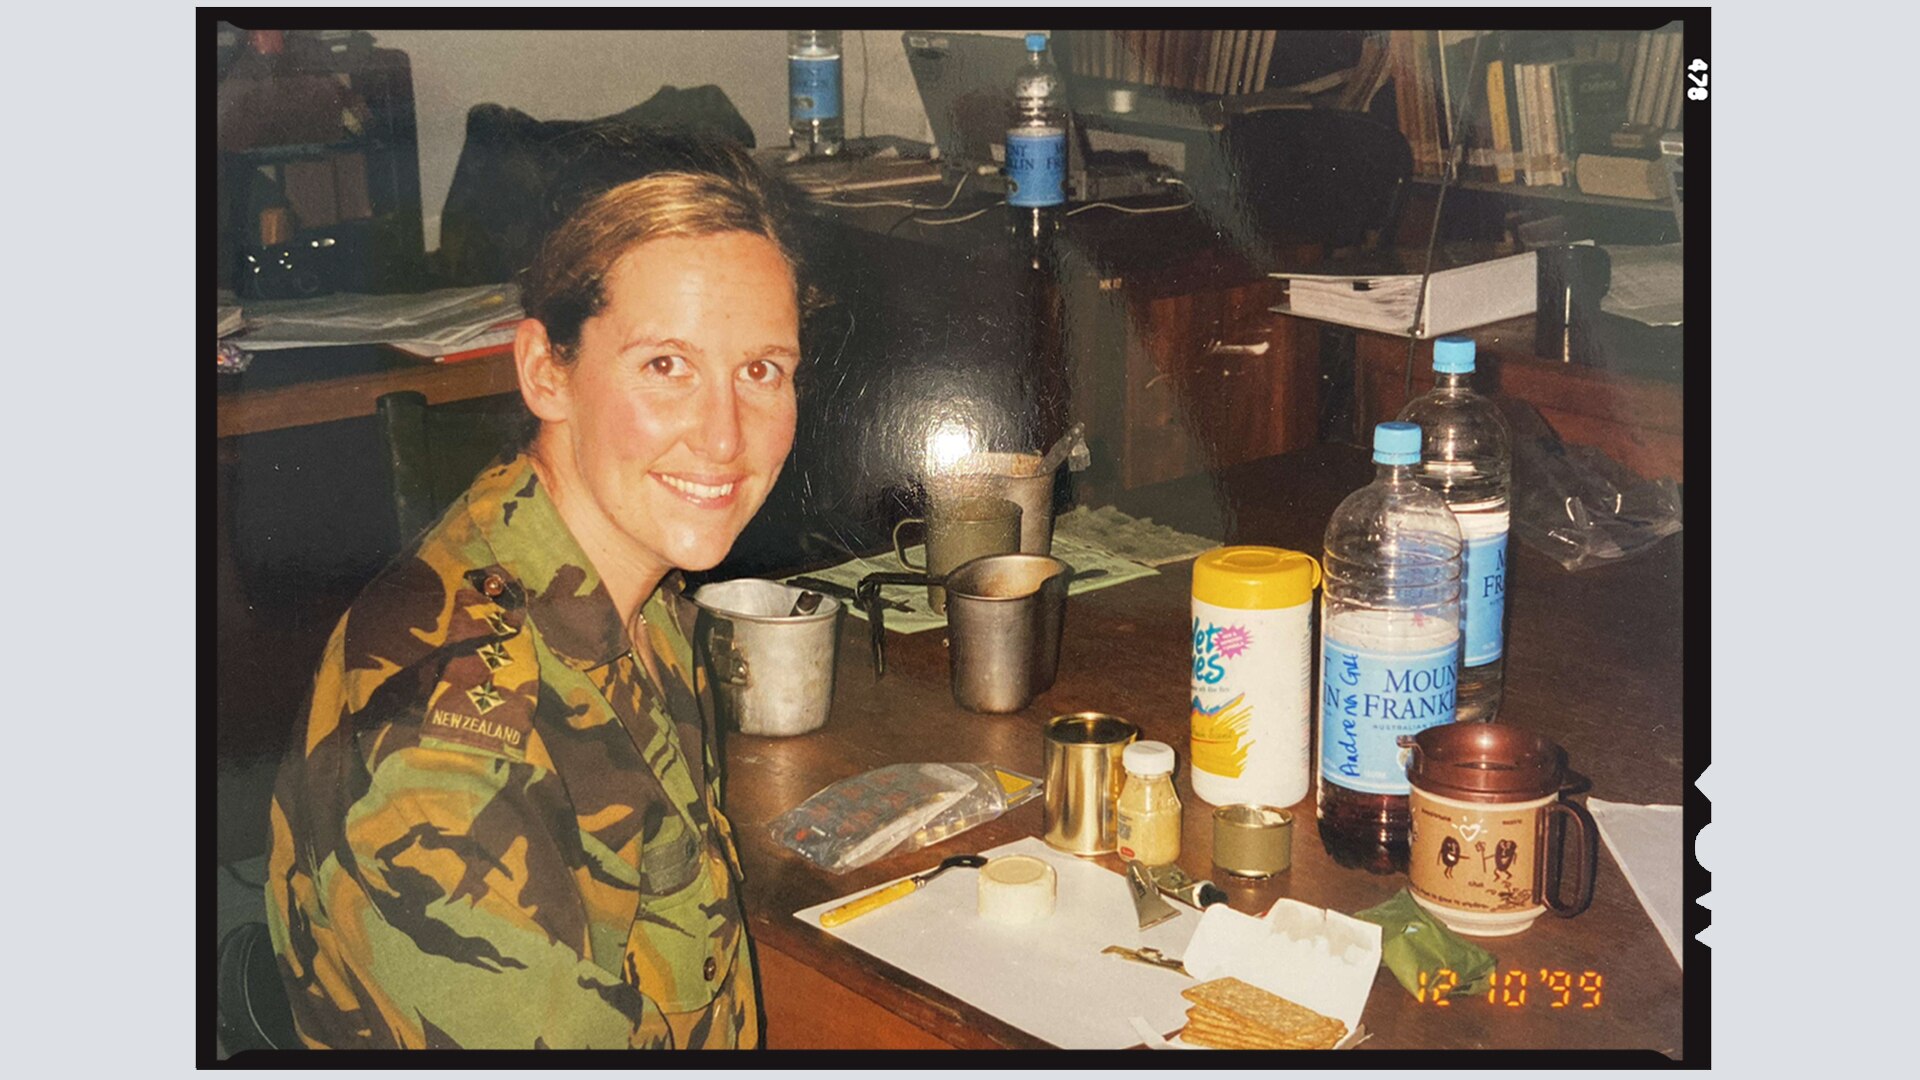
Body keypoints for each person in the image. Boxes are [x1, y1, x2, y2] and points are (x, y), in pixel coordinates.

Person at [264, 146, 805, 1049]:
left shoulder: (623, 588)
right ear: (544, 372)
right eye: (666, 365)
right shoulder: (446, 754)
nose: (724, 437)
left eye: (762, 370)